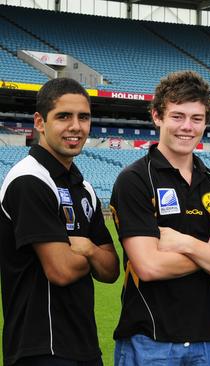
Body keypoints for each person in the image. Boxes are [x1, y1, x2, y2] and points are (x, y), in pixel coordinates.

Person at [110, 71, 210, 365]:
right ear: (157, 116)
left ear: (206, 122)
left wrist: (184, 243)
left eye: (196, 118)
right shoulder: (134, 180)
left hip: (209, 342)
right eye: (177, 116)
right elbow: (148, 266)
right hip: (149, 342)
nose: (187, 127)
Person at [0, 77, 120, 366]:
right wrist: (92, 254)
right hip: (39, 347)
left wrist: (88, 249)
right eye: (63, 116)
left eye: (84, 117)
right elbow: (61, 270)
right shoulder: (29, 180)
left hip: (84, 346)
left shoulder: (84, 188)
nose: (76, 126)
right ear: (40, 122)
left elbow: (111, 270)